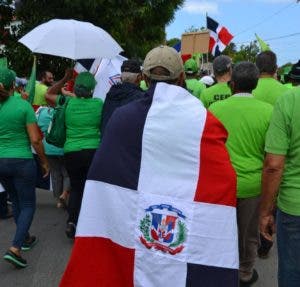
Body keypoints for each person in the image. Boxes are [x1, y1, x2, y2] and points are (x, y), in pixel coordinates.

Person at [60, 46, 239, 286]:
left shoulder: (122, 117)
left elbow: (104, 177)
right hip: (179, 223)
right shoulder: (204, 121)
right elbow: (223, 177)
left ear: (144, 78)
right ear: (182, 77)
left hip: (139, 222)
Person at [209, 62, 273, 286]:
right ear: (255, 84)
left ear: (232, 83)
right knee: (248, 234)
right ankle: (245, 272)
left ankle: (220, 269)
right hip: (253, 186)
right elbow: (270, 155)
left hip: (220, 184)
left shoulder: (215, 110)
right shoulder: (268, 112)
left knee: (221, 232)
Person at [0, 67, 49, 268]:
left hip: (1, 162)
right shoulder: (23, 106)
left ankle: (25, 237)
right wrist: (45, 162)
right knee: (28, 204)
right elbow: (36, 140)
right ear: (14, 85)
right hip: (22, 161)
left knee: (17, 200)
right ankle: (15, 248)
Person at [46, 70, 103, 239]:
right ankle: (89, 224)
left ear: (76, 88)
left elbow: (49, 94)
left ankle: (72, 221)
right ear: (92, 90)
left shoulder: (67, 102)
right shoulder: (99, 103)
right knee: (90, 188)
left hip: (71, 153)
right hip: (93, 151)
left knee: (76, 187)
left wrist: (64, 77)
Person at [260, 60, 300, 287]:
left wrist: (265, 212)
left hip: (294, 207)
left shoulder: (289, 100)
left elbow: (274, 164)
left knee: (293, 274)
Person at [36, 106, 71, 208]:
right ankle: (64, 194)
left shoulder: (41, 112)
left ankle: (58, 200)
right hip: (63, 147)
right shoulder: (64, 112)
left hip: (48, 148)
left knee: (55, 174)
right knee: (66, 173)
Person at [101, 59, 144, 135]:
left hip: (107, 143)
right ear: (139, 77)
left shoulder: (110, 94)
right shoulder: (141, 98)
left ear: (121, 78)